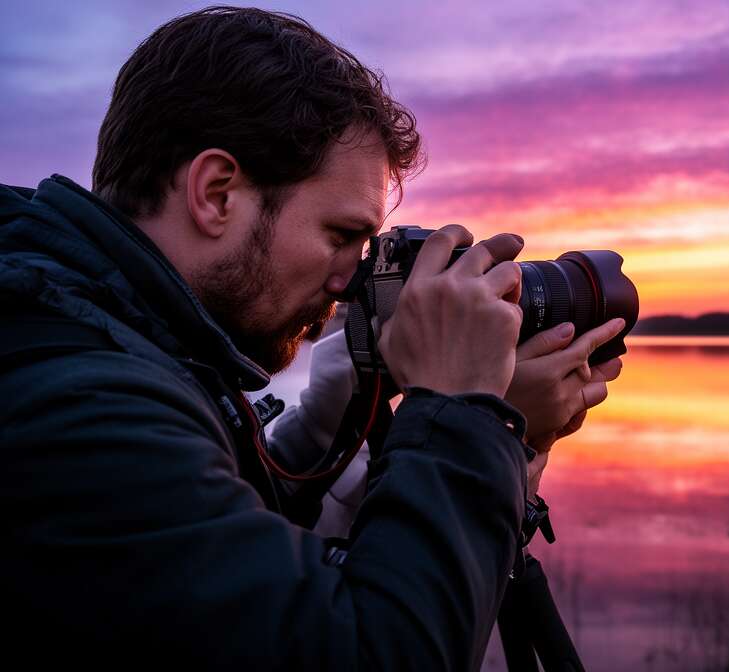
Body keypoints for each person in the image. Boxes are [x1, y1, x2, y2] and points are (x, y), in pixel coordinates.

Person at [0, 6, 621, 668]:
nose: (348, 280)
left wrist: (323, 428)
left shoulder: (89, 332)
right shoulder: (79, 409)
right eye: (341, 236)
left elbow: (225, 588)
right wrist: (463, 414)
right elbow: (379, 653)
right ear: (216, 194)